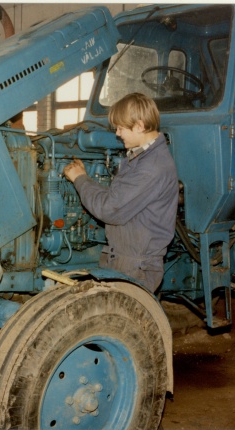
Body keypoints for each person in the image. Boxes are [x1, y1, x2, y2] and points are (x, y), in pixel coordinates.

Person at [63, 92, 179, 291]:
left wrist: (80, 179)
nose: (117, 133)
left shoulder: (151, 167)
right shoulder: (140, 158)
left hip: (135, 266)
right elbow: (116, 199)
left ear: (140, 126)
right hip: (124, 258)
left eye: (121, 128)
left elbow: (110, 209)